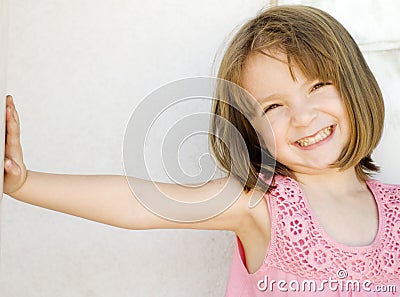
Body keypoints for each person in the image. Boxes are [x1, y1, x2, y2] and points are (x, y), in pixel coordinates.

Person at [3, 4, 399, 296]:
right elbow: (141, 203)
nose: (303, 116)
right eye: (273, 106)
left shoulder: (395, 206)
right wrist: (23, 182)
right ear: (250, 129)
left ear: (356, 85)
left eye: (317, 87)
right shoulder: (260, 202)